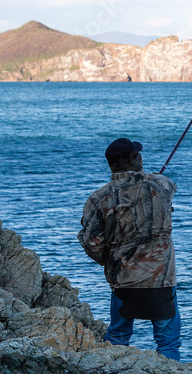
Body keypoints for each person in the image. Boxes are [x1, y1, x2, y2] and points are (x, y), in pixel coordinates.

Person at [78, 138, 182, 361]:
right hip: (160, 280)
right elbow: (169, 187)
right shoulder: (161, 185)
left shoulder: (99, 198)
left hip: (123, 279)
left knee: (118, 335)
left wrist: (110, 260)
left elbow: (91, 242)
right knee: (167, 341)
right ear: (136, 159)